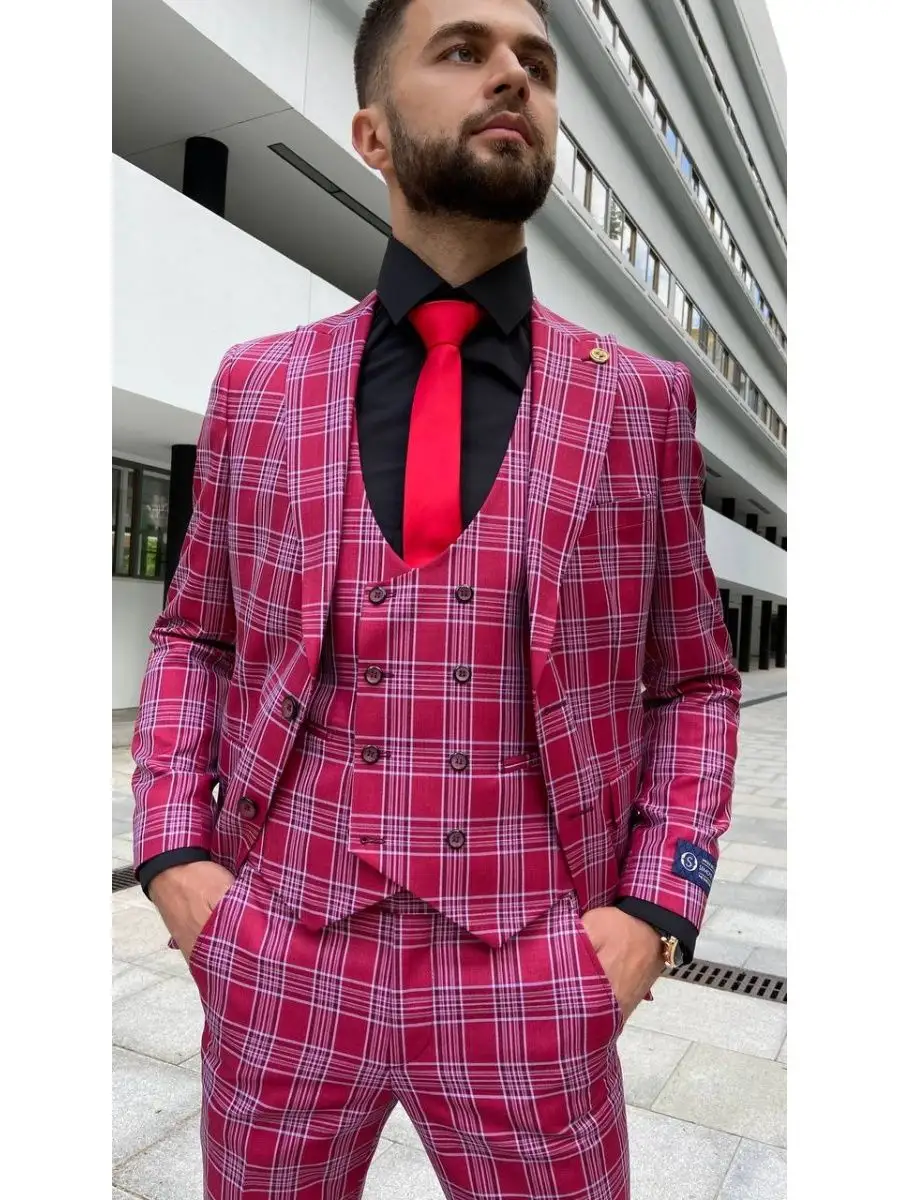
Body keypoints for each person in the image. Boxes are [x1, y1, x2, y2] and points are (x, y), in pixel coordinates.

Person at [131, 0, 741, 1196]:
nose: (513, 76)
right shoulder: (259, 388)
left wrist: (653, 910)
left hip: (539, 977)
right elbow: (195, 636)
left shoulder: (641, 403)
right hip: (281, 958)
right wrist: (173, 859)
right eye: (462, 51)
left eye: (536, 64)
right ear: (370, 133)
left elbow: (695, 683)